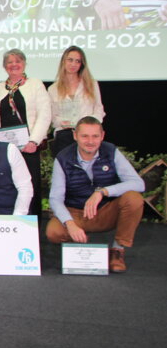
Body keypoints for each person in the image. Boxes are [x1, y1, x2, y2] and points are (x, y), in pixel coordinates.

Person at [46, 117, 145, 273]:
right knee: (53, 232)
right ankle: (82, 245)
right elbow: (55, 198)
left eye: (95, 136)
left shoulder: (111, 152)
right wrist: (70, 223)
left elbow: (138, 184)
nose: (90, 141)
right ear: (75, 135)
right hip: (76, 212)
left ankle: (117, 251)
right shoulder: (63, 158)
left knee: (134, 199)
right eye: (85, 136)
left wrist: (102, 192)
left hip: (106, 210)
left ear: (102, 135)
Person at [0, 49, 51, 216]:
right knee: (5, 188)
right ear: (4, 66)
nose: (14, 65)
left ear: (24, 64)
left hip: (28, 149)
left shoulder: (35, 84)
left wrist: (34, 141)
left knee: (30, 190)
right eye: (10, 62)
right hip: (3, 150)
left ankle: (31, 232)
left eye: (18, 61)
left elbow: (44, 115)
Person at [47, 46, 105, 156]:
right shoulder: (52, 89)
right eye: (70, 60)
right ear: (63, 61)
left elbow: (99, 109)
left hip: (88, 134)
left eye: (77, 61)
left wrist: (88, 123)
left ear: (81, 64)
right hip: (64, 135)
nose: (73, 64)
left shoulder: (91, 84)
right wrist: (61, 122)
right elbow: (53, 117)